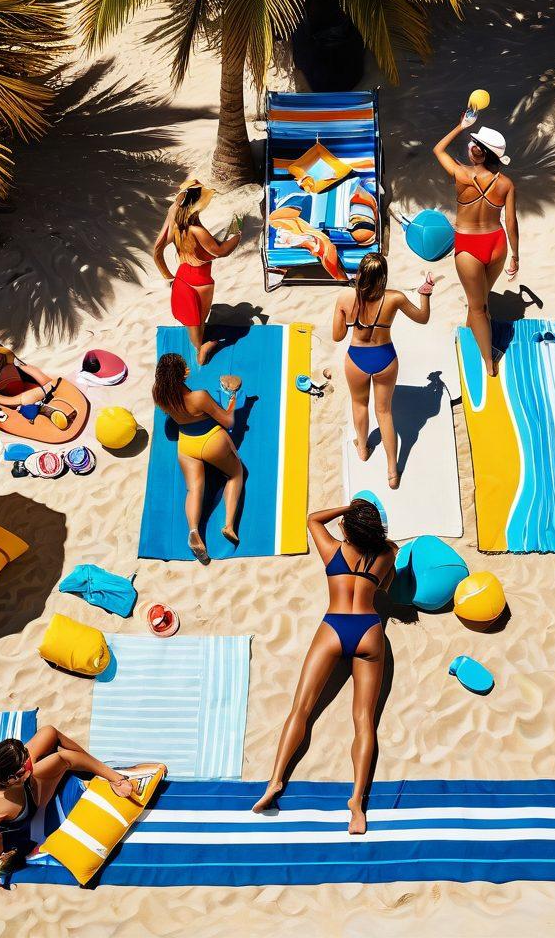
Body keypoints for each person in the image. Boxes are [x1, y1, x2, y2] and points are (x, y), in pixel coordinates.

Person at [252, 500, 396, 834]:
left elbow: (312, 518)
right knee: (364, 721)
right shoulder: (388, 553)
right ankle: (357, 804)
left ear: (347, 527)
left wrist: (347, 508)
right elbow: (385, 588)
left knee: (301, 710)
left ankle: (275, 782)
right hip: (369, 632)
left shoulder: (331, 548)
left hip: (334, 629)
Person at [0, 726, 134, 877]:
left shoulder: (21, 771)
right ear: (12, 778)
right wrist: (5, 858)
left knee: (49, 733)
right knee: (62, 759)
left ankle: (92, 763)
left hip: (25, 789)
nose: (30, 760)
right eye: (26, 763)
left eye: (26, 756)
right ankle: (87, 766)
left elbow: (36, 757)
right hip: (26, 808)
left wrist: (115, 778)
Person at [332, 252, 436, 489]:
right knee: (385, 412)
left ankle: (362, 449)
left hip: (357, 358)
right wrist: (425, 294)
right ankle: (392, 470)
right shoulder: (395, 298)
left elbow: (337, 336)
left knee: (359, 405)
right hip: (385, 357)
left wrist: (343, 314)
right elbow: (423, 318)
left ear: (360, 274)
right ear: (383, 277)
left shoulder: (346, 298)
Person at [433, 115, 519, 376]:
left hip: (469, 244)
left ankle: (489, 364)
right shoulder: (505, 183)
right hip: (496, 242)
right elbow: (511, 222)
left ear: (475, 151)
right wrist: (516, 255)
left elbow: (437, 149)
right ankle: (472, 332)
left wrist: (461, 126)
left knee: (478, 307)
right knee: (480, 300)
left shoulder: (461, 174)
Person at [152, 352, 243, 562]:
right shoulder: (199, 397)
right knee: (235, 474)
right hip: (211, 442)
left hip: (187, 445)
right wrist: (232, 400)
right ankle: (229, 524)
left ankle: (193, 531)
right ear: (185, 373)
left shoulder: (159, 394)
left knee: (194, 489)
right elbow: (228, 422)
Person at [153, 178, 242, 366]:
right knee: (200, 320)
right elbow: (221, 251)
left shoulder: (177, 226)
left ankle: (199, 346)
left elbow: (157, 249)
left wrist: (168, 276)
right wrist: (238, 233)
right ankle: (201, 350)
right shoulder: (197, 230)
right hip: (201, 282)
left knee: (191, 320)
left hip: (182, 278)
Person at [0, 332, 72, 428]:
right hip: (4, 393)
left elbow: (20, 365)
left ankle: (37, 406)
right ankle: (38, 409)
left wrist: (45, 380)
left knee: (39, 386)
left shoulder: (2, 352)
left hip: (17, 382)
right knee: (29, 400)